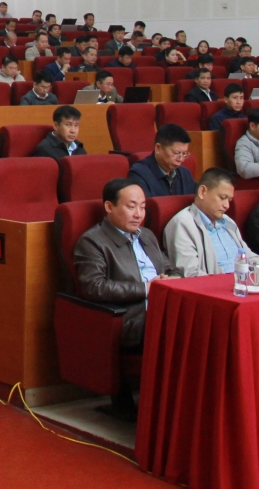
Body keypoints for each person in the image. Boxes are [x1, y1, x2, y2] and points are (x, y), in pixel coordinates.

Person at [73, 178, 182, 417]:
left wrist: (172, 279)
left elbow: (170, 268)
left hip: (163, 307)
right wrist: (146, 288)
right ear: (109, 207)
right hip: (131, 317)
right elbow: (94, 287)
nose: (138, 214)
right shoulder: (92, 241)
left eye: (143, 207)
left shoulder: (147, 236)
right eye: (131, 207)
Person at [161, 168, 259, 277]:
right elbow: (190, 273)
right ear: (202, 192)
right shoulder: (182, 224)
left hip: (244, 282)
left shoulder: (228, 221)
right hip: (217, 285)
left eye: (229, 200)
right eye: (222, 198)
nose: (227, 205)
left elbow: (249, 256)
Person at [127, 124, 197, 197]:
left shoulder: (185, 173)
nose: (181, 160)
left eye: (184, 154)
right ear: (158, 148)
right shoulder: (140, 173)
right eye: (176, 153)